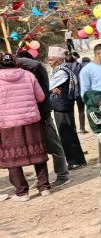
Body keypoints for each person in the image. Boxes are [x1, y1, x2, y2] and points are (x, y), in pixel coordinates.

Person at [0, 53, 50, 201]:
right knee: (38, 154)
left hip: (8, 124)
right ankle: (44, 187)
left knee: (12, 158)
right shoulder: (28, 75)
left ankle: (22, 192)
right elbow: (40, 97)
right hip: (31, 120)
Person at [17, 55, 70, 188]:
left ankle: (63, 175)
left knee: (54, 146)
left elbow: (37, 64)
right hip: (31, 117)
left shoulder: (39, 73)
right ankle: (41, 178)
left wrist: (14, 60)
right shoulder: (25, 77)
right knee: (36, 150)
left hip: (43, 116)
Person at [47, 46, 86, 170]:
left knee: (66, 134)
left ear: (58, 59)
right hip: (62, 106)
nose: (49, 61)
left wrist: (51, 88)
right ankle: (77, 160)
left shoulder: (61, 72)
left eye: (51, 59)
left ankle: (75, 161)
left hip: (62, 106)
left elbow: (47, 85)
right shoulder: (56, 70)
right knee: (68, 132)